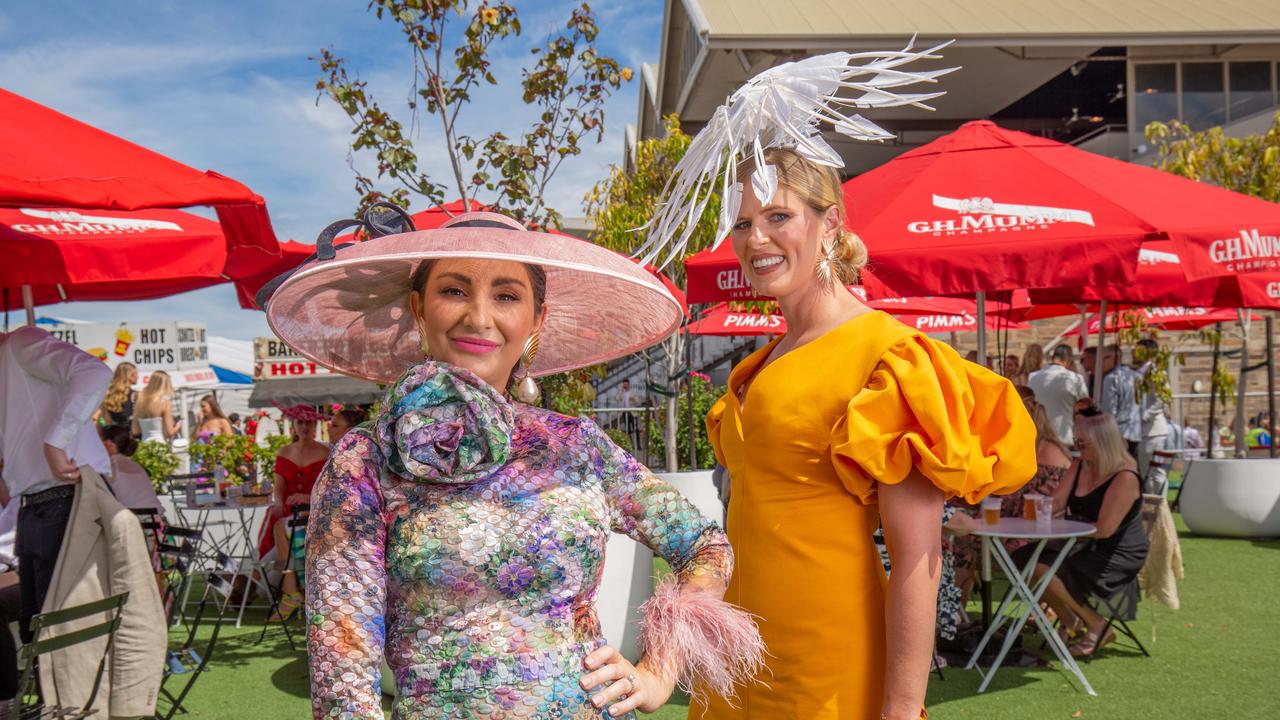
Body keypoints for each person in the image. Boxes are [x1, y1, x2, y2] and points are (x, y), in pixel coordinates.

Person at [262, 206, 760, 718]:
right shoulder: (364, 459)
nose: (479, 317)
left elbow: (705, 545)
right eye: (454, 290)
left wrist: (660, 670)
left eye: (506, 295)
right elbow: (342, 663)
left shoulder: (576, 445)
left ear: (536, 319)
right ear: (418, 307)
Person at [1018, 407, 1148, 658]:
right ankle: (1072, 622)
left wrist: (1062, 528)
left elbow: (1105, 529)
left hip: (1114, 550)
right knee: (1023, 560)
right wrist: (1037, 506)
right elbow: (1055, 503)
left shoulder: (1124, 477)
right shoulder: (1079, 465)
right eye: (1075, 441)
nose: (1076, 447)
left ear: (1102, 442)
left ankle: (1097, 624)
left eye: (1082, 442)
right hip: (1079, 542)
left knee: (1043, 567)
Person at [1029, 345, 1091, 447]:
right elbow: (1085, 406)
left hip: (1040, 438)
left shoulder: (1033, 377)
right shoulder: (1075, 379)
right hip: (1066, 437)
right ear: (1069, 359)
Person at [1133, 339, 1171, 494]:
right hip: (1140, 432)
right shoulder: (1137, 372)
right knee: (1144, 473)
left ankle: (1161, 507)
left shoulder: (1156, 372)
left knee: (1156, 473)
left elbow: (1162, 398)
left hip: (1154, 431)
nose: (1135, 354)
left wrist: (1145, 415)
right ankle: (1150, 507)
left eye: (1139, 350)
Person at [102, 425, 164, 513]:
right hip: (158, 518)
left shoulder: (109, 467)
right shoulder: (136, 465)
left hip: (138, 522)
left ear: (108, 444)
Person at [1100, 345, 1142, 457]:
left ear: (1111, 358)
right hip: (1135, 430)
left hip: (1119, 432)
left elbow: (1108, 410)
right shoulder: (1136, 376)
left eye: (1102, 359)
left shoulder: (1111, 378)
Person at [132, 370, 180, 444]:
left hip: (144, 446)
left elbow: (135, 431)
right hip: (160, 445)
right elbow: (169, 433)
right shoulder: (165, 402)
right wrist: (178, 426)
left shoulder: (140, 401)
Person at [94, 362, 138, 431]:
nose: (137, 376)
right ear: (130, 376)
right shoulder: (136, 395)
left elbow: (104, 420)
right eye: (135, 374)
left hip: (113, 435)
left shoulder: (108, 395)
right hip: (130, 436)